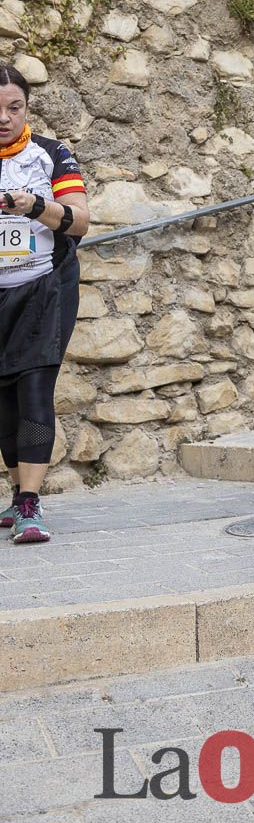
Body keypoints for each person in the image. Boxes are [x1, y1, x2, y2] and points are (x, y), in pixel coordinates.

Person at [0, 64, 89, 543]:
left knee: (34, 388)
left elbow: (79, 220)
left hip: (44, 286)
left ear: (27, 108)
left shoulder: (52, 154)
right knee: (3, 403)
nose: (4, 118)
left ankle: (31, 503)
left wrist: (34, 206)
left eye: (14, 107)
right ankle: (17, 496)